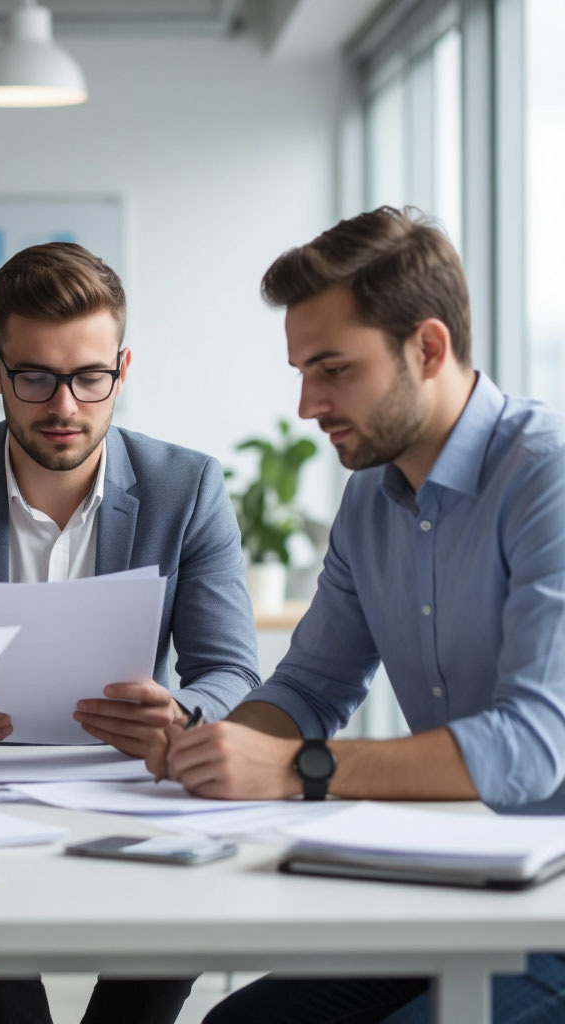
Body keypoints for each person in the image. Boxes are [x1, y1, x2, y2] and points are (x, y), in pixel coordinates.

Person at [157, 207, 565, 1023]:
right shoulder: (370, 500)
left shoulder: (545, 478)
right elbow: (311, 685)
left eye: (333, 369)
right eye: (302, 371)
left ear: (429, 348)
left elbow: (534, 746)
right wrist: (215, 746)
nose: (308, 404)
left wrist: (298, 770)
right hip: (457, 886)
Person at [0, 241, 260, 1024]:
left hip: (134, 780)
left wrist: (182, 713)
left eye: (89, 377)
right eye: (35, 376)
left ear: (122, 371)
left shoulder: (188, 486)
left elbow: (233, 673)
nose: (65, 406)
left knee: (160, 959)